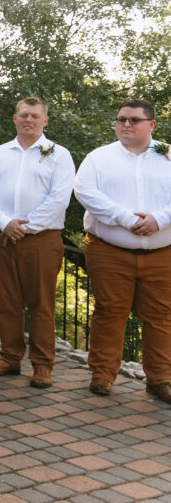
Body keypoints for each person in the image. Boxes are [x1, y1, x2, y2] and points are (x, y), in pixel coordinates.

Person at [74, 99, 171, 404]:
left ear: (152, 125)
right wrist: (127, 219)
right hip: (109, 250)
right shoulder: (99, 157)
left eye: (134, 120)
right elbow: (85, 193)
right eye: (121, 119)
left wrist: (159, 220)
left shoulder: (168, 155)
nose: (126, 124)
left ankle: (160, 379)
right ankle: (102, 374)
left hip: (162, 252)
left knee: (160, 316)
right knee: (110, 311)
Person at [0, 97, 74, 389]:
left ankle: (42, 365)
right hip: (4, 236)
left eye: (34, 116)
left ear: (45, 121)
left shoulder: (59, 154)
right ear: (14, 118)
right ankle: (9, 357)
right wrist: (6, 223)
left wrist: (25, 226)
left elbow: (59, 198)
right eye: (23, 115)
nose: (28, 120)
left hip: (42, 240)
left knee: (40, 304)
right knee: (7, 303)